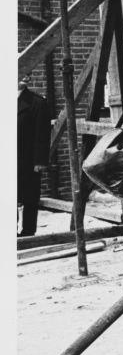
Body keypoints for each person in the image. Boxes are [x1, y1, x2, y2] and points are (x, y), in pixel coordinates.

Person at [17, 77, 51, 237]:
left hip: (27, 160)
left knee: (30, 197)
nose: (26, 77)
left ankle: (28, 233)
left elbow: (42, 135)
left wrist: (40, 161)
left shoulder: (37, 103)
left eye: (27, 74)